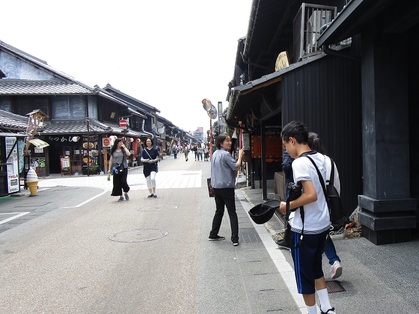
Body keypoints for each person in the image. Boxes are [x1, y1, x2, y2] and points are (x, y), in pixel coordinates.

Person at [278, 121, 336, 314]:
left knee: (304, 277)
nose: (287, 150)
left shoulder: (300, 163)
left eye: (286, 146)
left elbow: (311, 194)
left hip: (306, 228)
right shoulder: (320, 157)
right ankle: (327, 308)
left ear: (292, 141)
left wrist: (288, 206)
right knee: (316, 267)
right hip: (322, 224)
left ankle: (312, 312)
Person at [276, 134, 344, 280]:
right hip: (329, 207)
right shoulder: (328, 161)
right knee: (323, 237)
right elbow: (336, 185)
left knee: (307, 272)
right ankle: (334, 261)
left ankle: (332, 262)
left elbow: (309, 194)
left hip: (310, 215)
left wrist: (288, 206)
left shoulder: (304, 163)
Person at [209, 134, 244, 246]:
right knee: (232, 212)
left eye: (229, 140)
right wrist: (240, 156)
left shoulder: (215, 153)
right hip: (226, 187)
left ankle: (213, 234)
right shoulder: (225, 154)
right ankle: (235, 239)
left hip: (216, 187)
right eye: (227, 141)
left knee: (219, 211)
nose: (229, 143)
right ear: (221, 143)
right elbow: (236, 167)